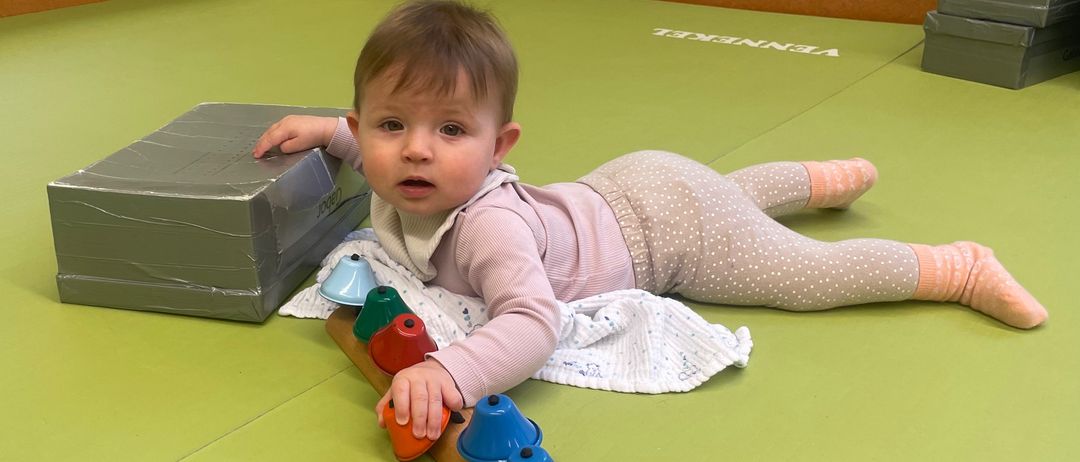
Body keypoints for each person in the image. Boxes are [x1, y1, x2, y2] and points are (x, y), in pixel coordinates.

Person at [252, 0, 1047, 441]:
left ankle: (957, 267)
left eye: (451, 130)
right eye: (391, 126)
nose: (415, 151)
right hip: (633, 183)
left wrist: (451, 371)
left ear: (501, 148)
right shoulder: (401, 171)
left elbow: (533, 323)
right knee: (725, 195)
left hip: (668, 234)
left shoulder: (489, 229)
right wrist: (325, 133)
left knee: (803, 275)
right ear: (365, 125)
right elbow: (369, 151)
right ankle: (818, 179)